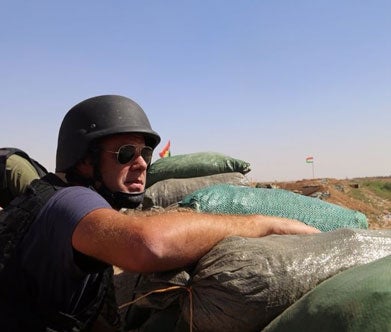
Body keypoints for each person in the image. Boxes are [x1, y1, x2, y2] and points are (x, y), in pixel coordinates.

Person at [0, 95, 320, 331]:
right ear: (85, 161)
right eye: (126, 153)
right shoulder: (71, 203)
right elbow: (149, 245)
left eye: (146, 153)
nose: (141, 164)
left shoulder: (50, 198)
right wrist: (261, 223)